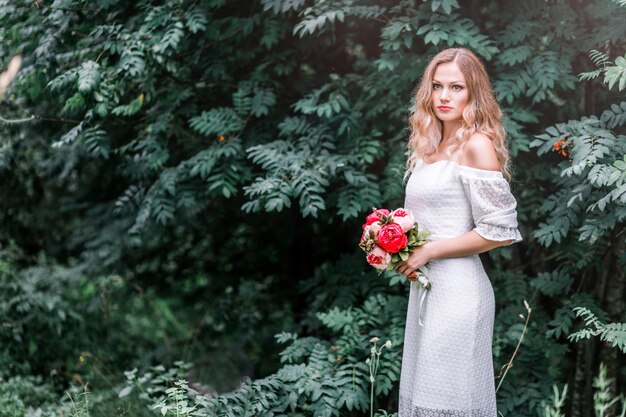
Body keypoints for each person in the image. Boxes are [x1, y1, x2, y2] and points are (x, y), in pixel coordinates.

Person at [395, 47, 523, 416]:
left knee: (447, 402)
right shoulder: (427, 146)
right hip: (425, 291)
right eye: (437, 87)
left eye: (456, 87)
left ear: (473, 93)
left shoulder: (476, 145)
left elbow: (500, 231)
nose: (444, 97)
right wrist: (396, 245)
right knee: (424, 399)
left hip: (460, 294)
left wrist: (428, 251)